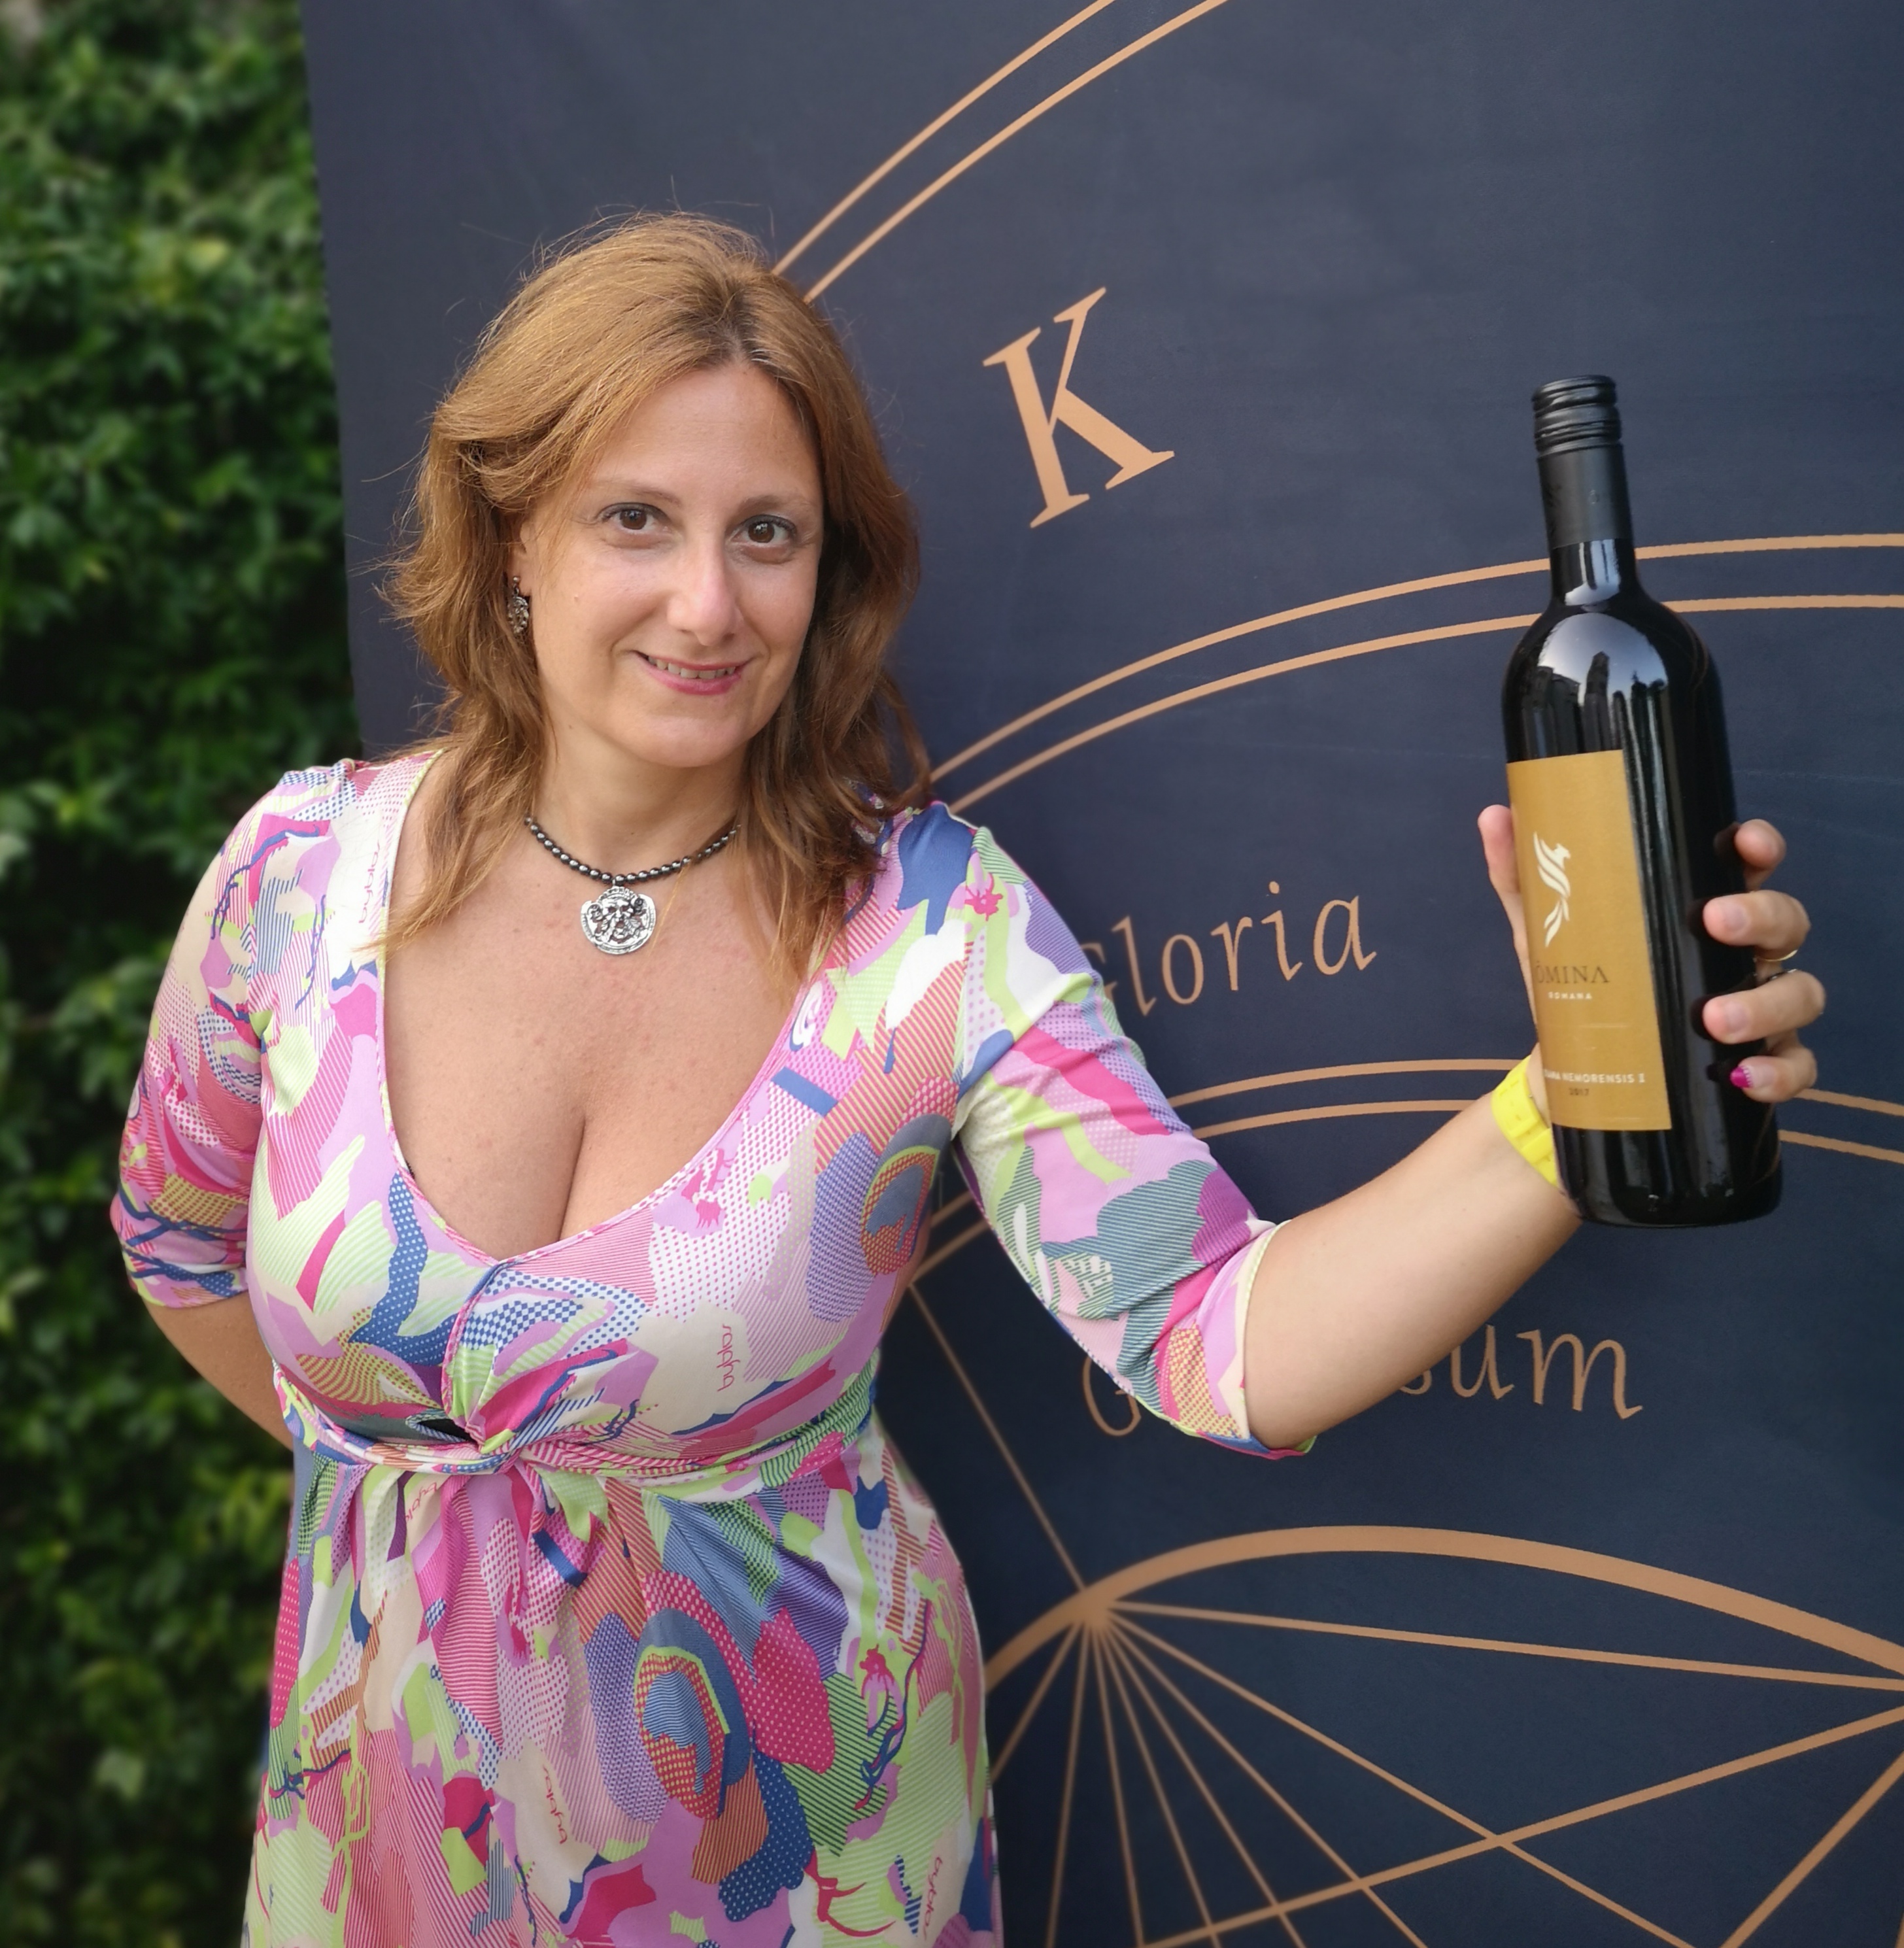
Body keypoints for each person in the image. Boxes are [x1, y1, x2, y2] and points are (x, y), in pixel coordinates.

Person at [113, 216, 1822, 1948]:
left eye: (767, 533)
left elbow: (1224, 1337)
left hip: (804, 1878)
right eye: (636, 518)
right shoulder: (297, 875)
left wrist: (1584, 1077)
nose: (709, 604)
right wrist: (425, 1494)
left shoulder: (935, 930)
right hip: (380, 1852)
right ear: (510, 542)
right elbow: (176, 1249)